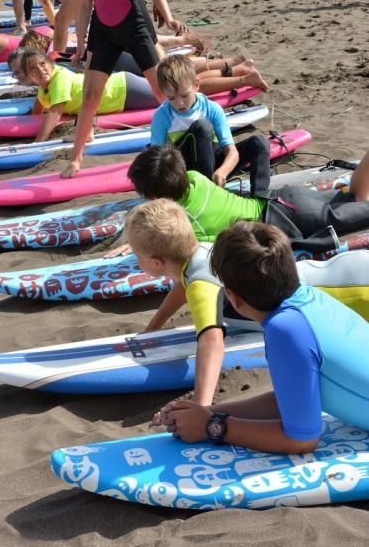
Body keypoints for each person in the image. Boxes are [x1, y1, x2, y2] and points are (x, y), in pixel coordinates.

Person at [154, 220, 369, 452]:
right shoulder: (308, 300)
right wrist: (208, 412)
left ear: (232, 298)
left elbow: (302, 440)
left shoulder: (285, 329)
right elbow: (290, 399)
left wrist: (211, 426)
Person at [59, 0, 186, 177]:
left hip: (135, 25)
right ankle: (76, 158)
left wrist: (168, 17)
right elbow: (85, 2)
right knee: (90, 96)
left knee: (159, 91)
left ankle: (181, 141)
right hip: (103, 30)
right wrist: (80, 42)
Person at [127, 143, 369, 253]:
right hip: (285, 198)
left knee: (360, 204)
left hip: (290, 220)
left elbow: (204, 245)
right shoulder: (193, 178)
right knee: (354, 196)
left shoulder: (190, 222)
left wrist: (141, 241)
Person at [125, 199, 225, 405]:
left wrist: (200, 409)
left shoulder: (200, 283)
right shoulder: (200, 253)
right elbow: (182, 286)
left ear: (156, 263)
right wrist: (153, 327)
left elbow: (212, 342)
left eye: (137, 256)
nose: (136, 261)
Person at [151, 55, 271, 193]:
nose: (179, 103)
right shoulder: (162, 116)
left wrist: (223, 172)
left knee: (259, 142)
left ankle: (260, 199)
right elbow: (158, 162)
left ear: (196, 85)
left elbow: (232, 153)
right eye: (171, 98)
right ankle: (206, 193)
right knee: (202, 127)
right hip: (183, 173)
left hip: (213, 171)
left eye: (184, 95)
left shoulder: (212, 109)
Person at [20, 48, 160, 142]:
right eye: (33, 68)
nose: (40, 69)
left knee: (168, 92)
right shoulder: (43, 87)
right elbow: (40, 102)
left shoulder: (59, 77)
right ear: (29, 77)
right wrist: (33, 120)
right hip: (121, 95)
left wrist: (38, 142)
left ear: (51, 64)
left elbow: (55, 111)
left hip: (123, 89)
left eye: (42, 64)